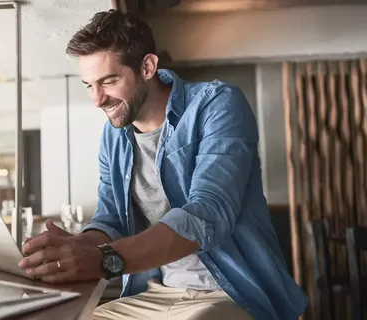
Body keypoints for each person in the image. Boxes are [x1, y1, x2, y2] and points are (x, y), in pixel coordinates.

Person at [18, 9, 308, 320]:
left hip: (232, 292)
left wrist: (104, 260)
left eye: (109, 81)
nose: (97, 99)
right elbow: (111, 220)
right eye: (90, 85)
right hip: (156, 292)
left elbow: (207, 213)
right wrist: (77, 248)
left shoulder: (217, 104)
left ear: (147, 66)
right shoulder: (113, 136)